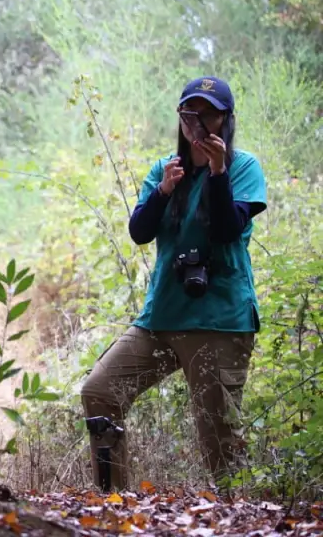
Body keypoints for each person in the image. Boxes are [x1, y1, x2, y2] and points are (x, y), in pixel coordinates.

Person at [80, 76, 267, 490]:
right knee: (101, 392)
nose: (197, 122)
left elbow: (225, 230)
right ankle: (113, 502)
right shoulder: (165, 169)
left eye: (208, 114)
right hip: (161, 317)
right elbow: (139, 232)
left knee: (219, 437)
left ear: (225, 119)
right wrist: (164, 189)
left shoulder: (244, 167)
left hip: (219, 320)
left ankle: (239, 516)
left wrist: (218, 173)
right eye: (189, 113)